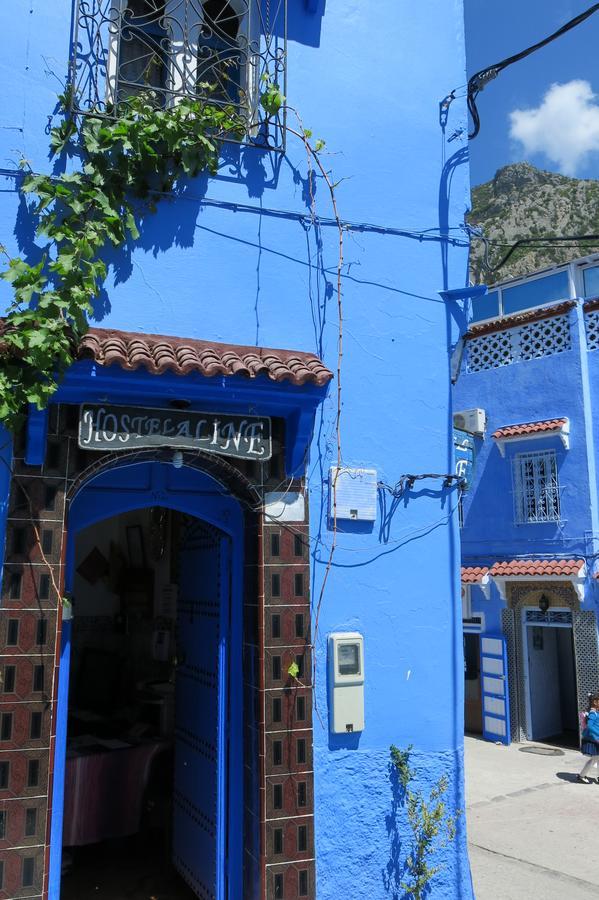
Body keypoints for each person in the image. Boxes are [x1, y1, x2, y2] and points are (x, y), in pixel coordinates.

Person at [578, 691, 599, 783]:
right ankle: (581, 775)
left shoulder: (596, 712)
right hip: (594, 739)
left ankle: (582, 775)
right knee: (595, 759)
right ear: (595, 702)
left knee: (596, 758)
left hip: (596, 738)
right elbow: (590, 726)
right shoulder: (592, 713)